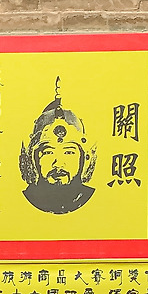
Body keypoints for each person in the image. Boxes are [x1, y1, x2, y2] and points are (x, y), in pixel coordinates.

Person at [19, 78, 97, 215]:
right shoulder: (30, 198)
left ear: (84, 158)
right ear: (33, 159)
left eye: (69, 152)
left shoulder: (88, 196)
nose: (58, 163)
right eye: (48, 152)